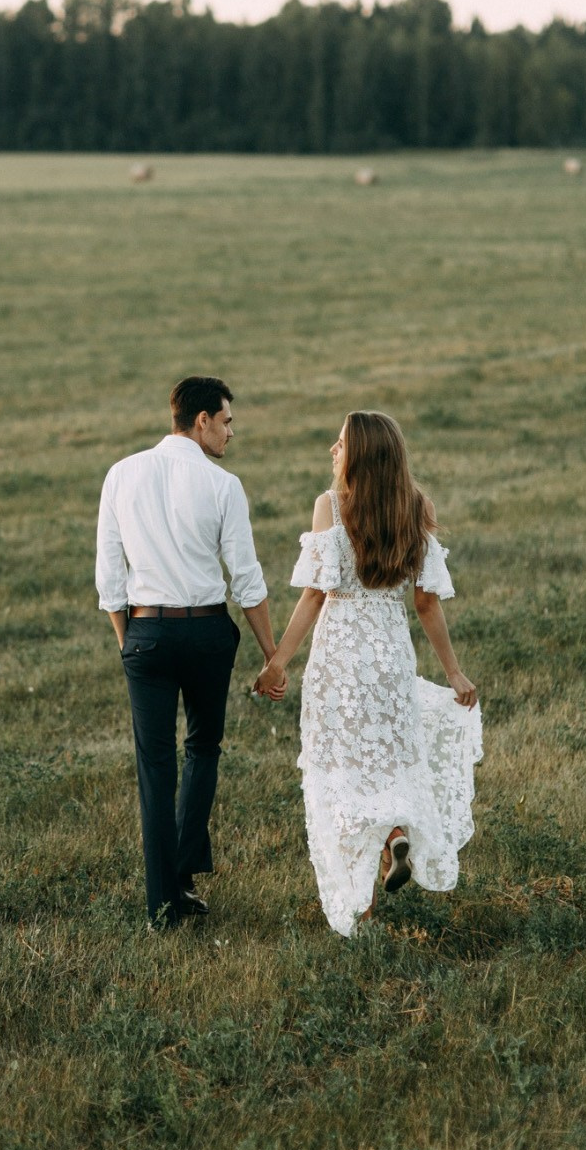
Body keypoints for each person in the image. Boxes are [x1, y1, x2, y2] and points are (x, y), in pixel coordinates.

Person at [255, 410, 482, 937]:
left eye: (339, 444)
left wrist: (278, 662)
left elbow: (316, 592)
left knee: (340, 773)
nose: (331, 452)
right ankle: (394, 833)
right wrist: (455, 674)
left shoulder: (330, 506)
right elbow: (426, 604)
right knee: (390, 761)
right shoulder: (416, 507)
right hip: (390, 658)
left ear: (359, 454)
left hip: (339, 657)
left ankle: (360, 907)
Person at [96, 376, 283, 928]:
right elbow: (246, 581)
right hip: (205, 635)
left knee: (154, 767)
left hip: (145, 632)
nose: (230, 432)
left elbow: (110, 574)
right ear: (200, 421)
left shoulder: (120, 473)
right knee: (203, 746)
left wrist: (128, 642)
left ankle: (164, 905)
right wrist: (272, 655)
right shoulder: (223, 485)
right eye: (226, 421)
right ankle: (178, 878)